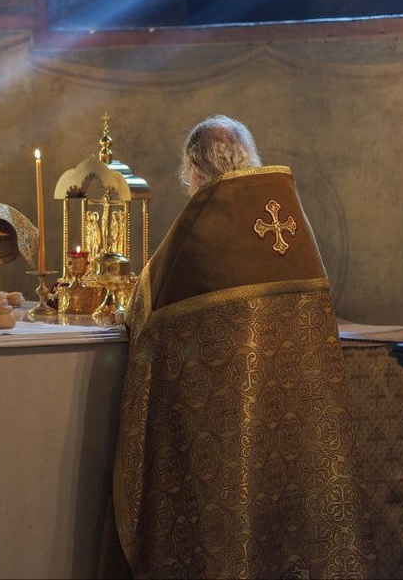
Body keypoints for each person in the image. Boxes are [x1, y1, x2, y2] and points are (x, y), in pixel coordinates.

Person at [101, 115, 373, 579]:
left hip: (224, 427)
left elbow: (144, 312)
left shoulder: (201, 225)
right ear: (248, 157)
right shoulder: (289, 216)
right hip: (299, 425)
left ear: (194, 168)